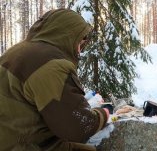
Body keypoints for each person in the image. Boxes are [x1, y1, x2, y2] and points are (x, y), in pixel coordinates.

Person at [0, 9, 109, 150]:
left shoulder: (17, 51)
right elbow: (78, 127)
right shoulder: (52, 64)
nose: (79, 50)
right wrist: (104, 114)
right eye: (79, 42)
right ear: (68, 36)